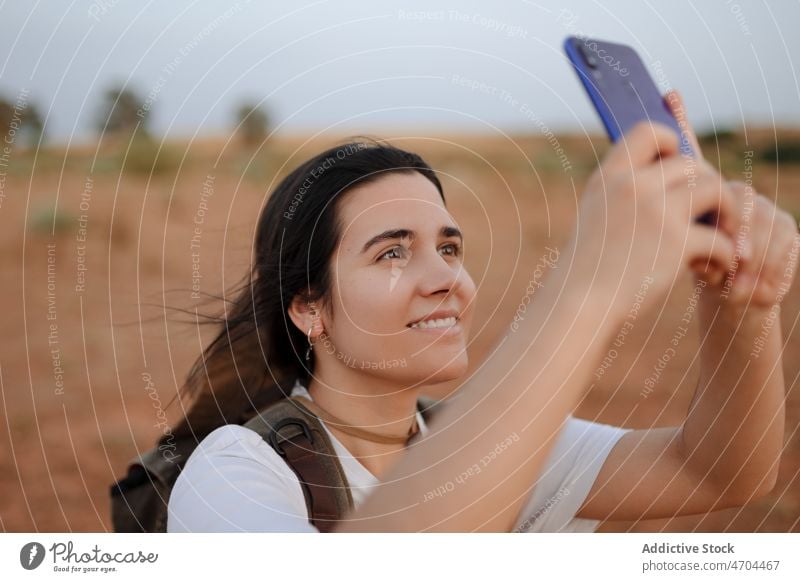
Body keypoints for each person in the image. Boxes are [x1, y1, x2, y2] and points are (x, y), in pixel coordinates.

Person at [167, 91, 798, 532]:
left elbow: (720, 472)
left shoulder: (505, 442)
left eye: (449, 247)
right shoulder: (234, 475)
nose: (446, 279)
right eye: (392, 253)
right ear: (310, 309)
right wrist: (587, 288)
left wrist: (740, 298)